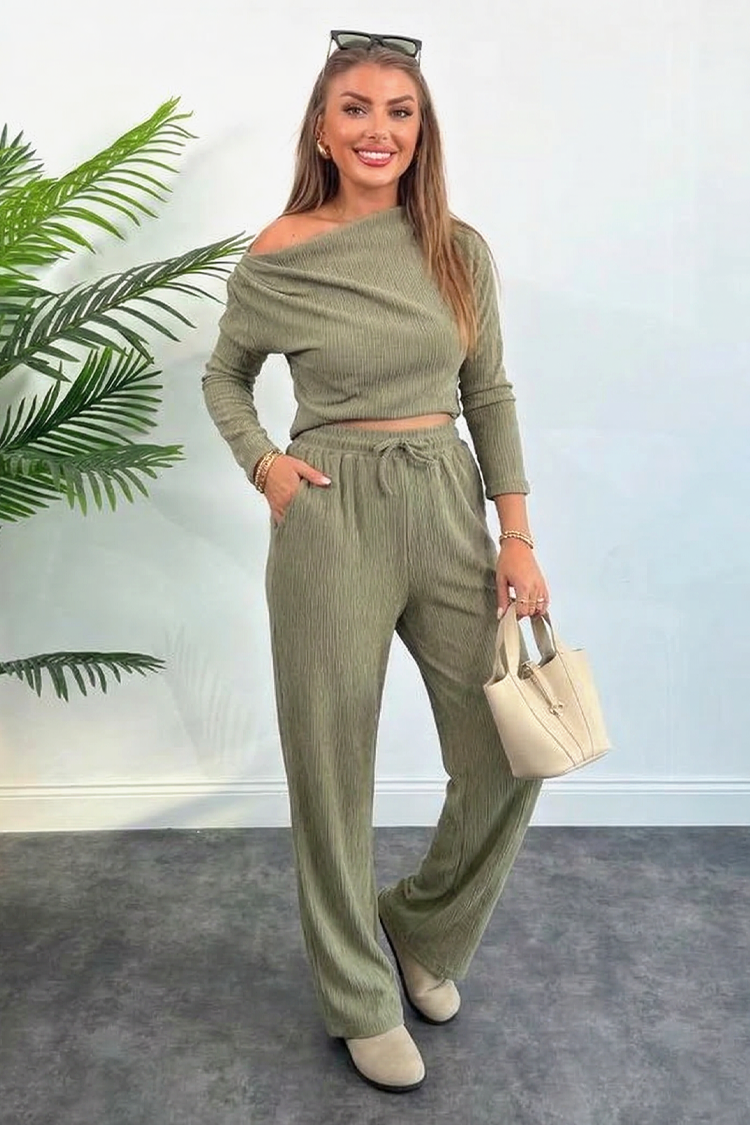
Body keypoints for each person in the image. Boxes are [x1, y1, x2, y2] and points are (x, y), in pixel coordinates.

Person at [202, 28, 550, 1094]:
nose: (378, 129)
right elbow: (224, 375)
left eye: (400, 112)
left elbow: (488, 392)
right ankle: (357, 996)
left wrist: (518, 535)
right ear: (322, 126)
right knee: (331, 764)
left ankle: (421, 927)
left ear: (421, 130)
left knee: (510, 750)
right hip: (331, 509)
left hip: (444, 498)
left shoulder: (457, 249)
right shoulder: (278, 254)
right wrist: (265, 465)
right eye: (355, 108)